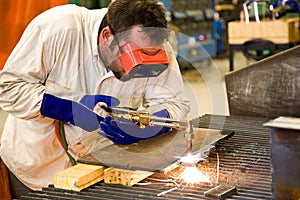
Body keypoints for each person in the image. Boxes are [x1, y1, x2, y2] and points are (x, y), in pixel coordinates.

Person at [0, 0, 190, 197]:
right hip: (37, 168)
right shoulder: (59, 27)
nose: (136, 72)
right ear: (107, 36)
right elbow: (9, 88)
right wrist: (67, 108)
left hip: (100, 171)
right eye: (133, 58)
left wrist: (150, 124)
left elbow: (175, 103)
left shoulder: (154, 45)